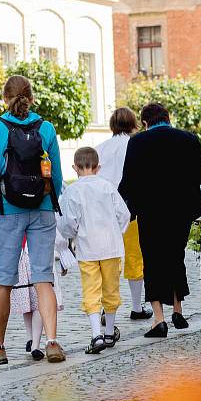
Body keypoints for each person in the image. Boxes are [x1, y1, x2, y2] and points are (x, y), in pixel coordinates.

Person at [0, 75, 66, 365]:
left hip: (7, 209)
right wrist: (49, 197)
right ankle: (53, 343)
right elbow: (55, 176)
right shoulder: (46, 127)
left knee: (3, 282)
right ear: (31, 98)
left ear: (5, 98)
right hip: (42, 208)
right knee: (44, 278)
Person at [119, 103, 201, 338]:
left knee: (152, 260)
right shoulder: (188, 139)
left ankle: (158, 320)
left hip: (150, 211)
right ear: (168, 118)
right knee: (175, 256)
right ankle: (178, 310)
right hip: (181, 210)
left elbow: (128, 181)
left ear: (145, 123)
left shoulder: (138, 142)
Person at [58, 147, 131, 354]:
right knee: (111, 289)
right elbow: (124, 214)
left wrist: (73, 235)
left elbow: (67, 224)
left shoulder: (72, 191)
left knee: (90, 290)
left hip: (87, 248)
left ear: (75, 168)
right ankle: (109, 332)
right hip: (111, 247)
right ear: (98, 167)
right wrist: (118, 232)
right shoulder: (107, 186)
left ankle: (95, 334)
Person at [95, 107, 152, 321]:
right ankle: (137, 307)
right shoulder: (137, 145)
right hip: (130, 209)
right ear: (133, 124)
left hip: (104, 211)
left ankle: (105, 307)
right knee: (134, 258)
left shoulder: (99, 148)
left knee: (108, 259)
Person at [10, 229, 74, 360]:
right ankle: (34, 345)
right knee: (38, 300)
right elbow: (58, 236)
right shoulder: (42, 212)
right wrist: (64, 255)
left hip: (19, 255)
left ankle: (30, 339)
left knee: (27, 299)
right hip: (36, 255)